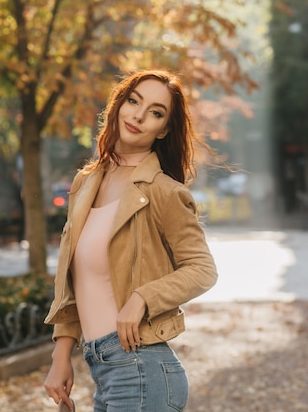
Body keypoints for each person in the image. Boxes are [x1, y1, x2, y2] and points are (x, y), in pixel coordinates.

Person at [43, 69, 218, 412]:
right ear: (119, 105)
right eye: (133, 101)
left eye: (155, 112)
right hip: (104, 371)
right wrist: (61, 354)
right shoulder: (85, 183)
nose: (138, 115)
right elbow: (72, 282)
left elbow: (202, 269)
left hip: (142, 371)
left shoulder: (163, 191)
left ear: (164, 129)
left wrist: (143, 297)